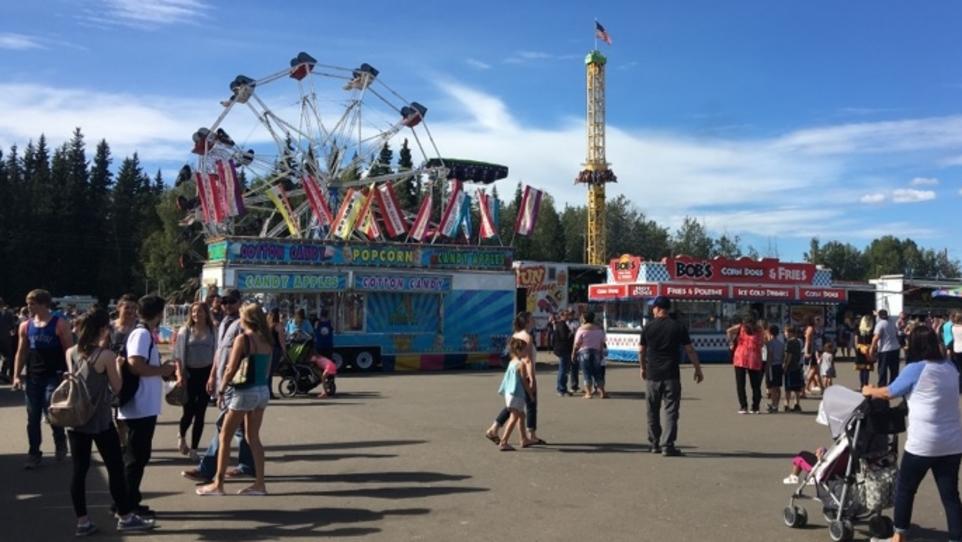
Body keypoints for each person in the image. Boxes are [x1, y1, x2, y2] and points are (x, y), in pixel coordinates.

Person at [863, 325, 962, 542]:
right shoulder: (951, 367)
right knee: (950, 496)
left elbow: (889, 392)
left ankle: (899, 536)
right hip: (953, 442)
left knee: (905, 490)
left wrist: (869, 390)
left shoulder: (916, 368)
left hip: (923, 443)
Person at [64, 308, 154, 536]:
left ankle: (82, 521)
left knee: (79, 470)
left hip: (76, 419)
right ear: (102, 329)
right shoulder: (105, 356)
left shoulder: (71, 352)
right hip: (100, 420)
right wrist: (119, 367)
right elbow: (118, 387)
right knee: (115, 468)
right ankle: (125, 516)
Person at [197, 302, 273, 496]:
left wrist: (221, 389)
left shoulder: (243, 339)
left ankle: (218, 484)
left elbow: (231, 368)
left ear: (245, 318)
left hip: (244, 392)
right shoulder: (267, 339)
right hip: (262, 390)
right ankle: (260, 484)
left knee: (225, 436)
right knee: (253, 438)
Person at [181, 289, 254, 483]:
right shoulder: (223, 323)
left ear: (240, 302)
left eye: (231, 301)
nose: (227, 305)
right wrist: (213, 376)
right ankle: (248, 465)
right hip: (224, 380)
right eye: (223, 301)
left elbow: (245, 355)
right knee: (240, 428)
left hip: (235, 383)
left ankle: (207, 469)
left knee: (223, 426)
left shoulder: (241, 325)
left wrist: (229, 381)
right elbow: (219, 352)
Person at [118, 295, 178, 519]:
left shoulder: (143, 333)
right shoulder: (141, 334)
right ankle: (126, 504)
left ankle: (131, 501)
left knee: (139, 457)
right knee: (135, 458)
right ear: (158, 313)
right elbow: (135, 365)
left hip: (143, 405)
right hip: (139, 405)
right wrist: (161, 370)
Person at [12, 289, 74, 469]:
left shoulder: (59, 324)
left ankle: (60, 441)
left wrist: (71, 373)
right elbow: (21, 351)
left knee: (51, 412)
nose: (28, 307)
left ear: (43, 304)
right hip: (33, 376)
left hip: (54, 375)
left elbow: (69, 350)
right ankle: (34, 453)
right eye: (28, 303)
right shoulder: (25, 325)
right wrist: (16, 375)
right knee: (32, 417)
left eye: (31, 303)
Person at [639, 296, 704, 456]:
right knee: (671, 410)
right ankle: (668, 445)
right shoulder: (677, 326)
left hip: (653, 375)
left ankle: (654, 443)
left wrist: (642, 367)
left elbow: (641, 350)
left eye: (653, 307)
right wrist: (697, 369)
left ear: (658, 308)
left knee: (652, 410)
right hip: (671, 375)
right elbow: (689, 349)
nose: (652, 310)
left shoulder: (648, 327)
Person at [485, 312, 545, 446]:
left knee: (513, 407)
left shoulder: (515, 335)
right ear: (527, 322)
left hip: (513, 373)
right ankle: (530, 435)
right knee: (529, 405)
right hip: (524, 373)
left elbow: (513, 356)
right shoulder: (527, 337)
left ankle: (498, 429)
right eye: (531, 319)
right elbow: (528, 360)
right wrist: (532, 380)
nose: (533, 321)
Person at [172, 301, 216, 459]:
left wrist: (214, 375)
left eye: (200, 312)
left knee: (201, 413)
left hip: (206, 374)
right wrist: (180, 374)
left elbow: (216, 354)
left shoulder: (212, 330)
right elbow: (178, 355)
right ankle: (182, 436)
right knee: (188, 412)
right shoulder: (185, 331)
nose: (197, 315)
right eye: (194, 312)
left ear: (206, 313)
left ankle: (194, 449)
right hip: (189, 375)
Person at [496, 338, 536, 451]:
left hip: (509, 393)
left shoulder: (511, 362)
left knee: (521, 415)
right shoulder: (521, 365)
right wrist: (531, 394)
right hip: (517, 394)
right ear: (518, 351)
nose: (527, 353)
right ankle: (503, 442)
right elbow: (524, 382)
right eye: (525, 350)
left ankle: (523, 439)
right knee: (514, 417)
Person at [727, 315, 764, 414]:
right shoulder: (759, 329)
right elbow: (762, 343)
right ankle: (755, 407)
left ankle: (743, 407)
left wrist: (730, 343)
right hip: (754, 358)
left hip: (740, 357)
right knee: (756, 385)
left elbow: (729, 331)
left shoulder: (741, 327)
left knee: (740, 384)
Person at [572, 311, 607, 399]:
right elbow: (602, 342)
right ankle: (602, 392)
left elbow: (577, 343)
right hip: (597, 352)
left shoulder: (581, 329)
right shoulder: (599, 329)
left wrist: (573, 353)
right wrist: (601, 353)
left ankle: (588, 393)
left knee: (586, 373)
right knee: (598, 373)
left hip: (584, 352)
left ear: (584, 319)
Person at [871, 309, 902, 386]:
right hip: (895, 348)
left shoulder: (880, 324)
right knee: (894, 370)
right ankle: (893, 385)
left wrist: (872, 348)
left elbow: (876, 337)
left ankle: (882, 386)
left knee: (882, 369)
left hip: (884, 349)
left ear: (879, 316)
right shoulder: (891, 322)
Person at [550, 310, 573, 397]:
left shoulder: (560, 324)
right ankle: (561, 389)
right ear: (562, 316)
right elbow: (564, 337)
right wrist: (571, 333)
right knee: (563, 370)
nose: (568, 316)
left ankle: (562, 388)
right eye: (566, 315)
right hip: (563, 349)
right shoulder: (562, 325)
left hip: (561, 349)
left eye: (568, 315)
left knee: (564, 369)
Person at [266, 308, 287, 399]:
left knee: (268, 371)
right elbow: (281, 340)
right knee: (271, 371)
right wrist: (284, 351)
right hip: (276, 349)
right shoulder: (278, 326)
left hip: (268, 349)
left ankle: (267, 391)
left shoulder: (268, 325)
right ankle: (269, 392)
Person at [783, 326, 804, 412]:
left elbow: (789, 356)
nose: (785, 334)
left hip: (790, 367)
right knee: (796, 388)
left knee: (788, 388)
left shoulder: (789, 343)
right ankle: (797, 404)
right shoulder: (798, 342)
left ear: (790, 333)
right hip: (797, 366)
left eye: (785, 332)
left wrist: (785, 366)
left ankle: (786, 404)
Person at [764, 325, 785, 413]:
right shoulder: (781, 344)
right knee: (777, 386)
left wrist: (767, 367)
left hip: (772, 366)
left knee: (772, 387)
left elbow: (770, 355)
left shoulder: (770, 343)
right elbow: (783, 355)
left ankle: (774, 404)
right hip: (779, 365)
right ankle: (776, 404)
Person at [854, 315, 876, 388]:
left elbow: (856, 341)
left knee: (862, 369)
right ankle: (865, 384)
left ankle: (862, 385)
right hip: (869, 349)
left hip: (860, 349)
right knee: (867, 369)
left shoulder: (858, 330)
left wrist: (857, 348)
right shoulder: (871, 331)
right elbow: (873, 341)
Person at [0, 297, 16, 382]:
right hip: (6, 338)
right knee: (7, 356)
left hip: (5, 337)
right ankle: (3, 372)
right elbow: (12, 326)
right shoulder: (8, 313)